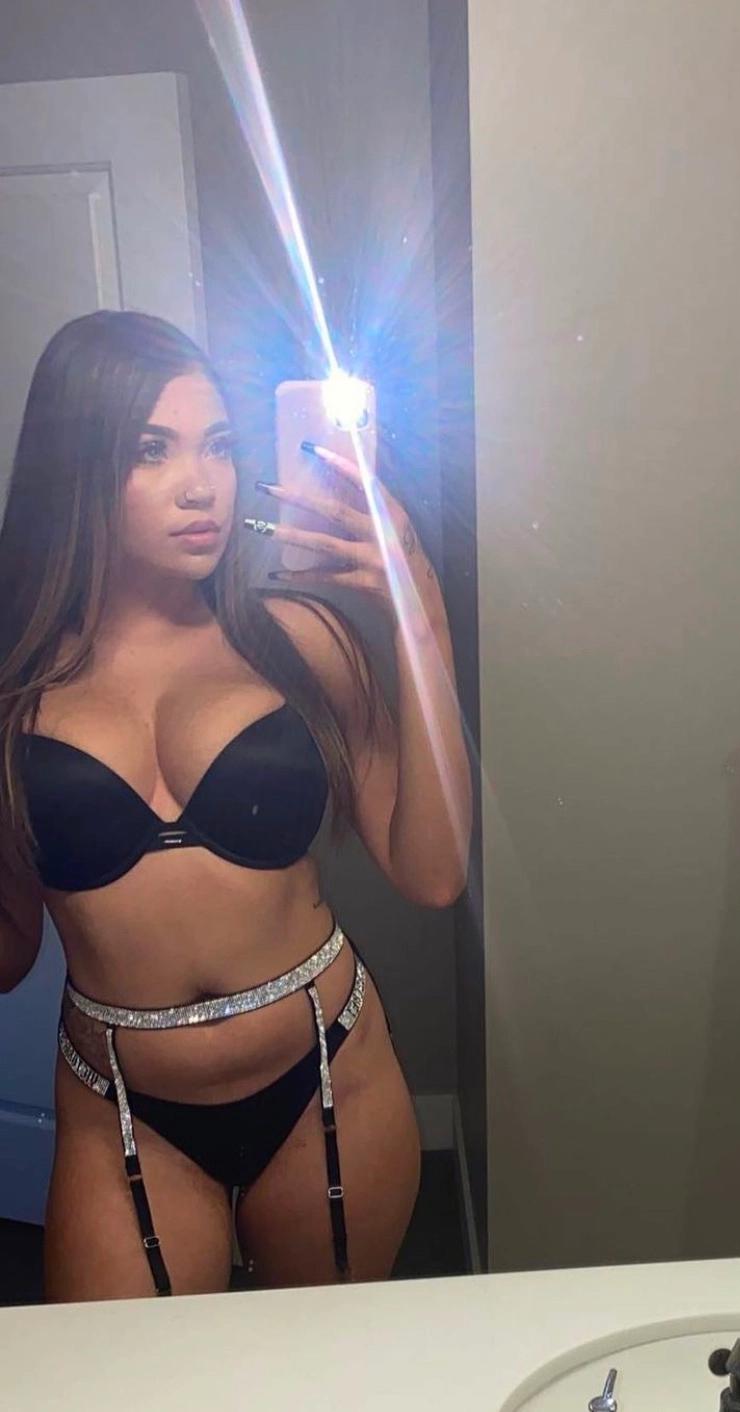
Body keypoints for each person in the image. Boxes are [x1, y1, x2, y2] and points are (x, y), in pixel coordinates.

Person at [0, 310, 472, 1301]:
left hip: (329, 1083)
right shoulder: (16, 696)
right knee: (126, 1375)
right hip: (123, 1114)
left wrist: (418, 611)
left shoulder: (299, 640)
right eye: (152, 450)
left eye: (217, 444)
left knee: (326, 1366)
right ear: (74, 469)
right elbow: (8, 956)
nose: (200, 484)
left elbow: (432, 874)